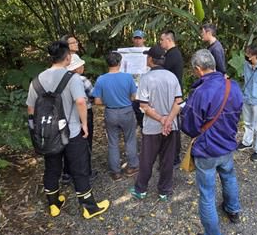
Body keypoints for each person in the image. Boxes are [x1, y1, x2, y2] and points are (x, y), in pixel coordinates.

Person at [26, 41, 109, 219]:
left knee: (51, 168)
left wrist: (37, 132)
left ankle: (54, 204)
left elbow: (31, 109)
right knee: (79, 168)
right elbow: (80, 102)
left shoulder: (36, 80)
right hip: (71, 131)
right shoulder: (72, 78)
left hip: (49, 135)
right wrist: (84, 124)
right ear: (68, 57)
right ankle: (89, 207)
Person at [181, 49, 243, 235]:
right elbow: (237, 113)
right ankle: (233, 210)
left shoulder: (200, 93)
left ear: (198, 69)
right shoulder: (233, 86)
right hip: (227, 145)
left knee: (207, 194)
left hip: (207, 150)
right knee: (229, 176)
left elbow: (190, 127)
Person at [130, 44, 182, 202]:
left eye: (147, 56)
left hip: (152, 127)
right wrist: (168, 120)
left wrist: (161, 120)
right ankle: (164, 191)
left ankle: (141, 189)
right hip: (171, 126)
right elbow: (178, 102)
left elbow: (144, 106)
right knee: (167, 159)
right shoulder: (172, 77)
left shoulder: (146, 78)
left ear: (151, 59)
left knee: (147, 159)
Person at [92, 52, 139, 181]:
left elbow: (97, 101)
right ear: (119, 63)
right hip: (127, 111)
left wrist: (109, 101)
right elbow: (134, 97)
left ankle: (116, 172)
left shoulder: (101, 79)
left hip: (110, 112)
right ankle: (132, 167)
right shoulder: (128, 77)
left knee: (113, 142)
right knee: (130, 139)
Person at [61, 54, 96, 185]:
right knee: (85, 142)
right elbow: (93, 95)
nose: (83, 67)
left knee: (67, 142)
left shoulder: (61, 80)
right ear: (76, 68)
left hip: (65, 114)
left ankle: (67, 173)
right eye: (81, 65)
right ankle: (86, 171)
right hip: (83, 113)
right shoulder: (82, 80)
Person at [160, 30, 184, 167]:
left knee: (173, 124)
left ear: (168, 40)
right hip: (173, 93)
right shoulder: (171, 54)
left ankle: (174, 156)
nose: (160, 42)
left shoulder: (173, 55)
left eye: (162, 40)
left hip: (173, 95)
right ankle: (171, 154)